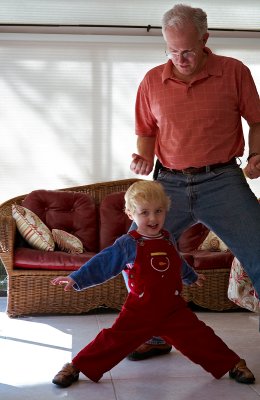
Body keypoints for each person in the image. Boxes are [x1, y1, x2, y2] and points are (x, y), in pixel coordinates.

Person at [129, 3, 260, 361]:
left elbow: (257, 121)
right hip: (168, 185)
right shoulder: (152, 80)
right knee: (133, 256)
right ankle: (154, 334)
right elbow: (145, 132)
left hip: (223, 180)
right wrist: (143, 155)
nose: (180, 58)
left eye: (187, 50)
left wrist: (254, 156)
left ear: (205, 38)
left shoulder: (233, 72)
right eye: (172, 51)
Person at [51, 181, 254, 388]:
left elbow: (175, 262)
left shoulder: (167, 238)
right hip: (139, 311)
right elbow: (103, 263)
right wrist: (77, 278)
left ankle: (233, 364)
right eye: (145, 212)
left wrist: (191, 276)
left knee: (201, 338)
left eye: (158, 211)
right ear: (131, 214)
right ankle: (76, 366)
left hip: (173, 309)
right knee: (111, 341)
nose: (153, 218)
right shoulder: (128, 243)